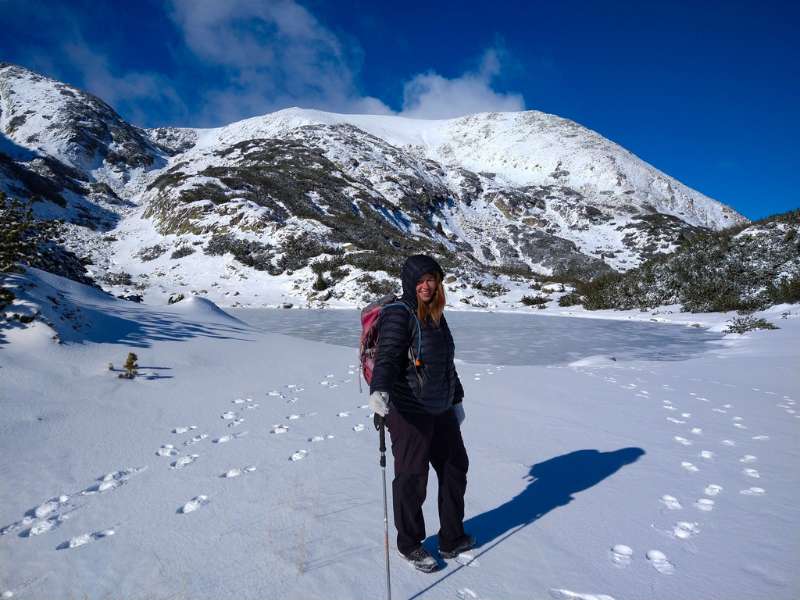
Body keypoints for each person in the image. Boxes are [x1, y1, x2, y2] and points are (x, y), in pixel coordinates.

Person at [369, 254, 474, 572]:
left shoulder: (437, 316)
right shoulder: (398, 313)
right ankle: (409, 543)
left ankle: (451, 537)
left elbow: (446, 363)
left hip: (440, 408)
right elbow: (387, 356)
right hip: (409, 409)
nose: (426, 286)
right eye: (420, 281)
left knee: (456, 467)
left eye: (431, 279)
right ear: (409, 284)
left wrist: (455, 399)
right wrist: (379, 390)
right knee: (413, 478)